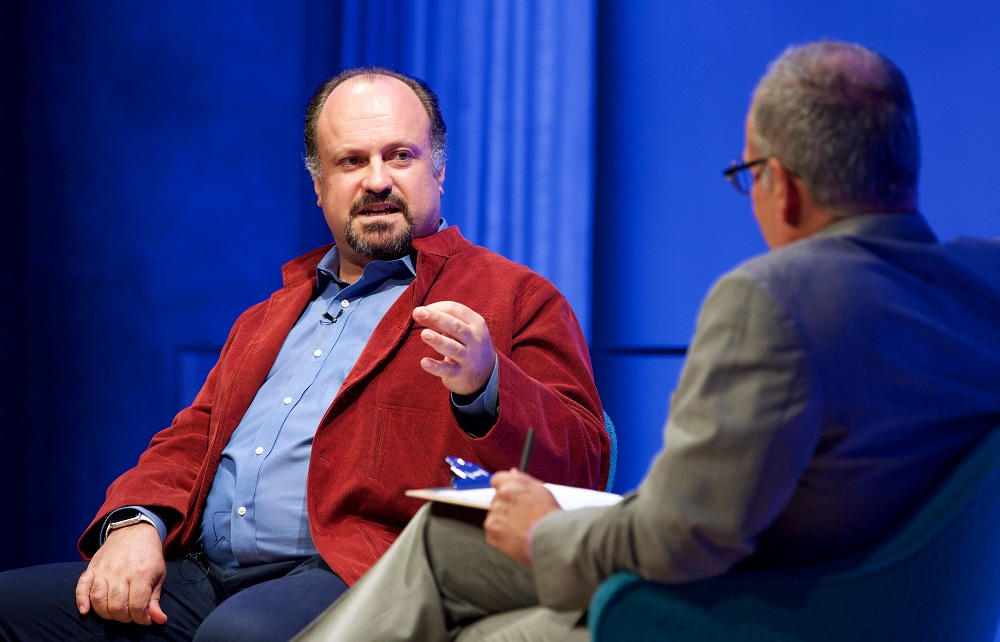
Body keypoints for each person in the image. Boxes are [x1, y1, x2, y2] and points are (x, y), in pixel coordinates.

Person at [290, 40, 1000, 641]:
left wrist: (543, 531)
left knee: (465, 585)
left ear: (779, 186)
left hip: (750, 610)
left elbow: (680, 536)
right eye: (352, 162)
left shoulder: (770, 301)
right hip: (893, 599)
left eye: (747, 175)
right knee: (454, 559)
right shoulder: (984, 283)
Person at [0, 67, 610, 641]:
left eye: (400, 155)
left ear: (438, 170)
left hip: (356, 568)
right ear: (319, 186)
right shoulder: (272, 313)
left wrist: (487, 385)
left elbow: (583, 460)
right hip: (202, 572)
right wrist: (134, 525)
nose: (376, 180)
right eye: (351, 161)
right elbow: (193, 438)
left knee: (240, 635)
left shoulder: (511, 297)